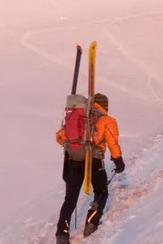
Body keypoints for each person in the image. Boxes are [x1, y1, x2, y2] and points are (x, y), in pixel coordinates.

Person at [55, 92, 125, 241]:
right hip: (94, 161)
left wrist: (75, 147)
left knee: (70, 199)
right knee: (101, 192)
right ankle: (91, 223)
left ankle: (62, 233)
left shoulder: (77, 117)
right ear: (105, 105)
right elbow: (112, 142)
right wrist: (118, 160)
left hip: (74, 159)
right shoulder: (107, 120)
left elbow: (60, 136)